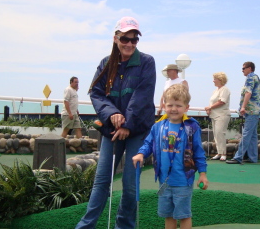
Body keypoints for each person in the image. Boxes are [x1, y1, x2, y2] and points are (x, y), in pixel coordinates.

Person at [76, 17, 156, 229]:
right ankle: (85, 226)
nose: (129, 43)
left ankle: (124, 226)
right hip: (111, 131)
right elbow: (96, 92)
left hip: (137, 130)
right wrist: (112, 114)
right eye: (125, 38)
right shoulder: (106, 63)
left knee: (130, 185)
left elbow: (142, 96)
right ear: (116, 38)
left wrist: (126, 124)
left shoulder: (147, 62)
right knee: (101, 182)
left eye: (134, 39)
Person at [133, 84, 208, 229]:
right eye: (170, 105)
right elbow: (149, 144)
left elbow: (199, 152)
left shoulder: (192, 128)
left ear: (186, 107)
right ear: (164, 106)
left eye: (178, 105)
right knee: (168, 214)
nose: (174, 109)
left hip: (183, 180)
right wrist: (141, 153)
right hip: (164, 180)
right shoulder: (158, 126)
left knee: (184, 215)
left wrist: (203, 174)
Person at [226, 62, 260, 164]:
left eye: (243, 68)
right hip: (255, 110)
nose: (242, 70)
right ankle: (253, 157)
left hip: (251, 110)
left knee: (246, 134)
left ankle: (238, 157)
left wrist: (243, 107)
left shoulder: (250, 77)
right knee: (253, 135)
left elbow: (248, 92)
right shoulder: (256, 77)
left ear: (249, 68)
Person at [205, 72, 231, 161]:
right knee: (216, 134)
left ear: (220, 80)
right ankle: (219, 152)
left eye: (215, 79)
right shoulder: (215, 91)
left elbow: (221, 102)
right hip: (214, 115)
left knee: (220, 133)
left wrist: (210, 107)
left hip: (222, 115)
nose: (213, 81)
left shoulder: (225, 89)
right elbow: (212, 103)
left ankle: (224, 153)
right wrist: (209, 109)